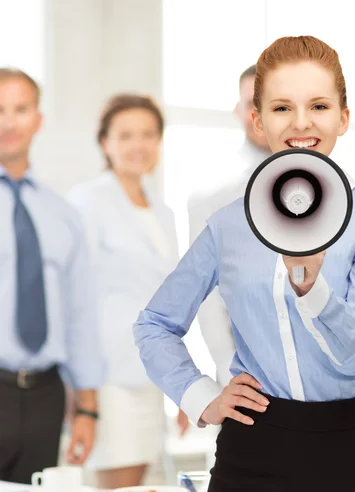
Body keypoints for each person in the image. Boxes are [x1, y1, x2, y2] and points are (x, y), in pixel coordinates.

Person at [133, 36, 355, 492]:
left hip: (348, 451)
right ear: (258, 121)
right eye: (282, 108)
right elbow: (155, 324)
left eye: (319, 105)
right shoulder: (228, 225)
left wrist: (312, 286)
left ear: (343, 118)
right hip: (250, 450)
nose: (301, 122)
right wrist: (202, 397)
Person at [67, 94, 186, 489]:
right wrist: (82, 393)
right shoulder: (88, 201)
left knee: (141, 482)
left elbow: (169, 302)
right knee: (116, 482)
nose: (139, 145)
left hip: (151, 372)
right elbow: (74, 297)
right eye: (126, 135)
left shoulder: (162, 210)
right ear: (106, 143)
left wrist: (181, 385)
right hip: (108, 377)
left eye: (149, 134)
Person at [0, 67, 103, 484]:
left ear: (38, 120)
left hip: (46, 396)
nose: (9, 121)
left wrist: (88, 409)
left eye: (20, 109)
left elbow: (80, 315)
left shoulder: (63, 215)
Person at [187, 64, 271, 387]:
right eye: (252, 104)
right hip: (245, 371)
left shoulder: (320, 181)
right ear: (239, 110)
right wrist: (227, 366)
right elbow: (205, 291)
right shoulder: (213, 193)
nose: (261, 115)